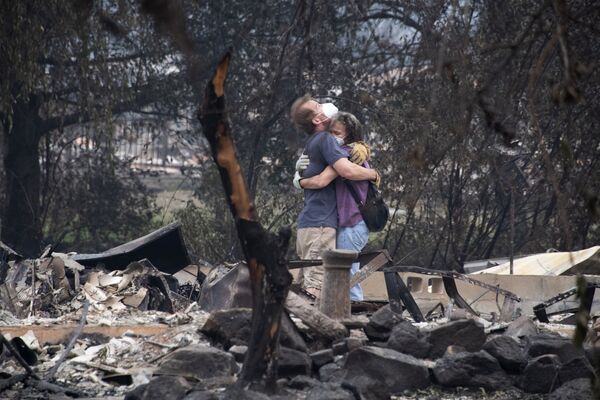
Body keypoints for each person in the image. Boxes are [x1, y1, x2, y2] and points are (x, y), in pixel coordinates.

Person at [290, 95, 379, 299]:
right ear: (317, 119)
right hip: (323, 223)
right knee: (322, 278)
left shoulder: (344, 149)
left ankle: (347, 312)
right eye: (318, 105)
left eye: (338, 133)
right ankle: (337, 316)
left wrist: (370, 167)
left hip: (346, 223)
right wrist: (299, 178)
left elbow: (337, 173)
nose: (323, 106)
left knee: (339, 274)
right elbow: (331, 175)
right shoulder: (325, 143)